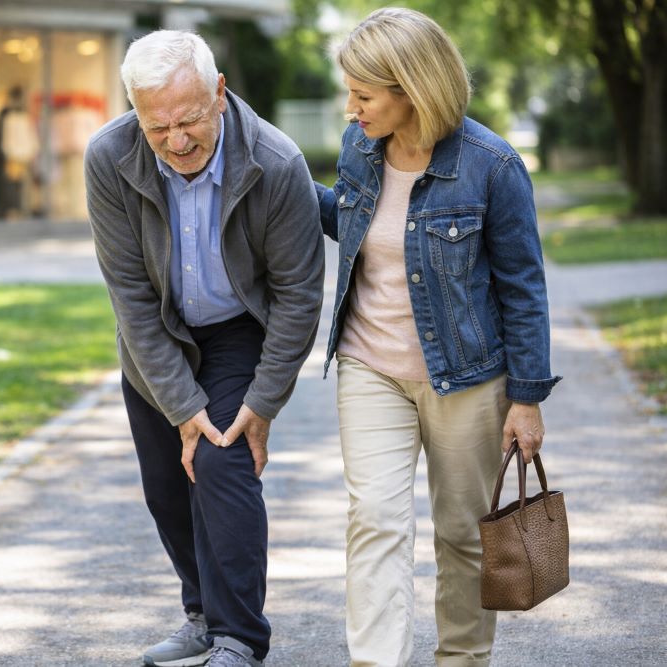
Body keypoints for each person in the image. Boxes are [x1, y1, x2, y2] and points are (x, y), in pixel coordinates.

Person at [314, 8, 561, 666]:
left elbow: (523, 287)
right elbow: (354, 219)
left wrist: (528, 398)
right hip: (371, 366)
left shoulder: (492, 165)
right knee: (375, 522)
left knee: (464, 537)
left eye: (364, 95)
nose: (352, 107)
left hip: (468, 378)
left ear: (411, 90)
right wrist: (287, 183)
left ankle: (462, 660)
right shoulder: (359, 146)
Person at [85, 30, 324, 667]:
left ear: (219, 93)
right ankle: (201, 612)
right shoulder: (108, 157)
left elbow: (300, 294)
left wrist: (264, 402)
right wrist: (182, 407)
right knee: (166, 485)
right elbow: (131, 298)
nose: (176, 140)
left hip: (239, 326)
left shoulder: (276, 162)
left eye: (189, 120)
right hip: (158, 334)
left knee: (221, 463)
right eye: (156, 126)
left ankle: (238, 636)